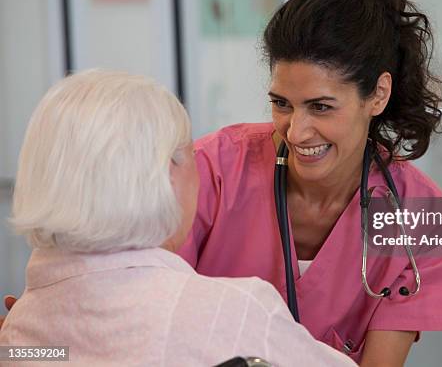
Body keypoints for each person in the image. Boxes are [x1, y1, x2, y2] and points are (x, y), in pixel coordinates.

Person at [177, 0, 442, 366]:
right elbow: (153, 315)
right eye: (281, 104)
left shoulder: (418, 216)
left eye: (321, 107)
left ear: (378, 95)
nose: (295, 132)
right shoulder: (210, 172)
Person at [0, 69, 356, 367]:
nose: (296, 131)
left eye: (322, 106)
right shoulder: (235, 312)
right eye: (190, 154)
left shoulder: (21, 330)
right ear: (168, 172)